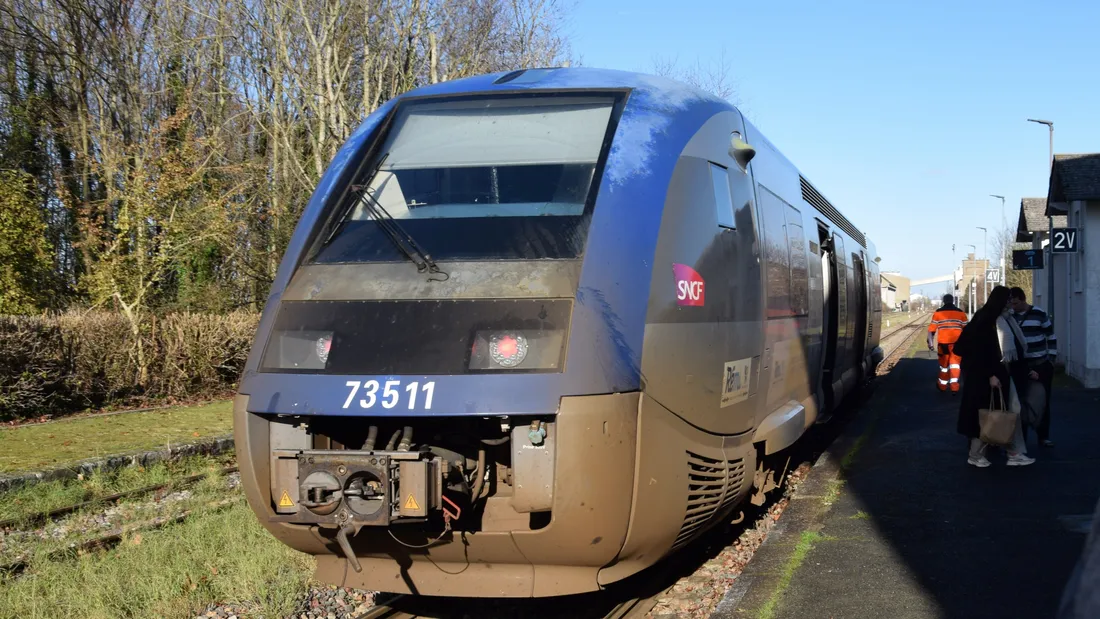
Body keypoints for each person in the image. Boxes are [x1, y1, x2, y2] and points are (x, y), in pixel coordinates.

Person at [952, 285, 1035, 467]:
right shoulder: (989, 321)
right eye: (1007, 299)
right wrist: (990, 374)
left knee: (1005, 413)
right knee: (988, 416)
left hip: (997, 377)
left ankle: (1013, 453)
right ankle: (977, 455)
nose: (1011, 303)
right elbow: (981, 351)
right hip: (986, 379)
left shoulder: (997, 319)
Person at [1009, 287, 1057, 448]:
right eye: (1011, 303)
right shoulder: (1010, 317)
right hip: (1021, 366)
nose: (1013, 306)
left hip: (1041, 364)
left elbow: (1051, 335)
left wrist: (1051, 359)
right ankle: (1022, 437)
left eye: (1016, 303)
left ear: (1023, 300)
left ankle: (1043, 436)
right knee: (1020, 402)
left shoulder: (1039, 314)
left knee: (1043, 401)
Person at [927, 293, 968, 393]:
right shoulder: (961, 313)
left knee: (944, 366)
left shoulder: (937, 313)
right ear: (953, 301)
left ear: (943, 301)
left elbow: (931, 330)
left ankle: (942, 386)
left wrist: (930, 344)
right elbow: (967, 330)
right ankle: (954, 387)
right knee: (955, 365)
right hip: (958, 344)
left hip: (943, 344)